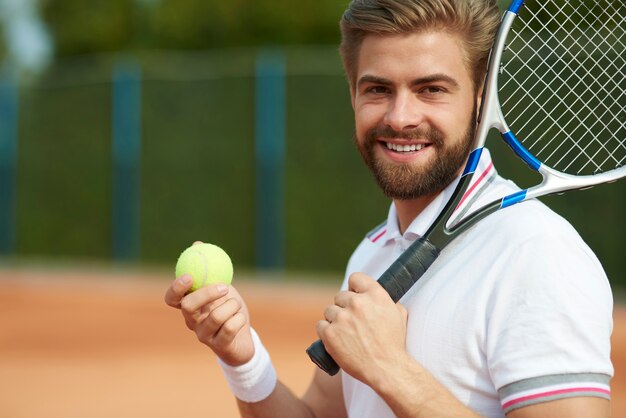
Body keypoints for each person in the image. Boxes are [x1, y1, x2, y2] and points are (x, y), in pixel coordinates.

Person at [164, 1, 614, 417]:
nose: (400, 117)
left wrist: (390, 369)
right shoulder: (375, 250)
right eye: (378, 89)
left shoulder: (538, 254)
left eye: (431, 89)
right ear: (353, 98)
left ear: (481, 101)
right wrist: (242, 357)